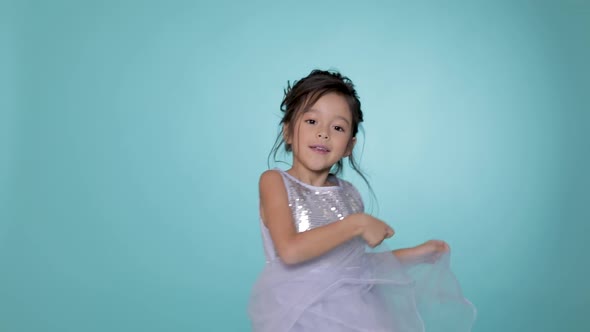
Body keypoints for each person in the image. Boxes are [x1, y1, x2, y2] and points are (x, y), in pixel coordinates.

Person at [248, 70, 476, 332]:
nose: (323, 133)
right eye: (311, 121)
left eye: (337, 127)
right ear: (288, 131)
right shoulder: (275, 182)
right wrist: (356, 224)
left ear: (349, 146)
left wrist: (417, 254)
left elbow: (355, 268)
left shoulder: (349, 195)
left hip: (356, 316)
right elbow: (290, 251)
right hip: (299, 318)